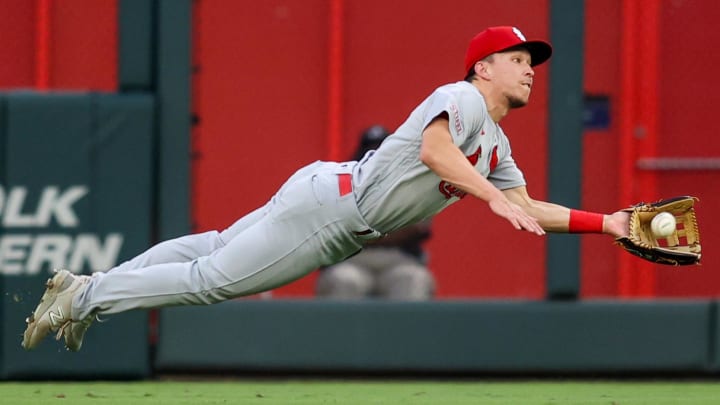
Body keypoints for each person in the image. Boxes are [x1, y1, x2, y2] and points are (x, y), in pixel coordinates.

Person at [21, 26, 630, 352]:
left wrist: (605, 224)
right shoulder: (463, 97)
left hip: (325, 189)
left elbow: (527, 207)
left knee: (210, 246)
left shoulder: (495, 142)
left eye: (532, 61)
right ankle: (85, 298)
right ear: (482, 67)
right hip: (336, 213)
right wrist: (488, 196)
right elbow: (434, 151)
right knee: (210, 282)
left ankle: (88, 287)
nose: (529, 68)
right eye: (517, 57)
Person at [315, 125, 435, 300]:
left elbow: (417, 228)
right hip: (351, 260)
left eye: (381, 151)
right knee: (343, 280)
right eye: (369, 151)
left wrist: (363, 229)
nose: (375, 157)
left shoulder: (412, 184)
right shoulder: (339, 186)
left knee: (413, 279)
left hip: (399, 259)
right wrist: (391, 227)